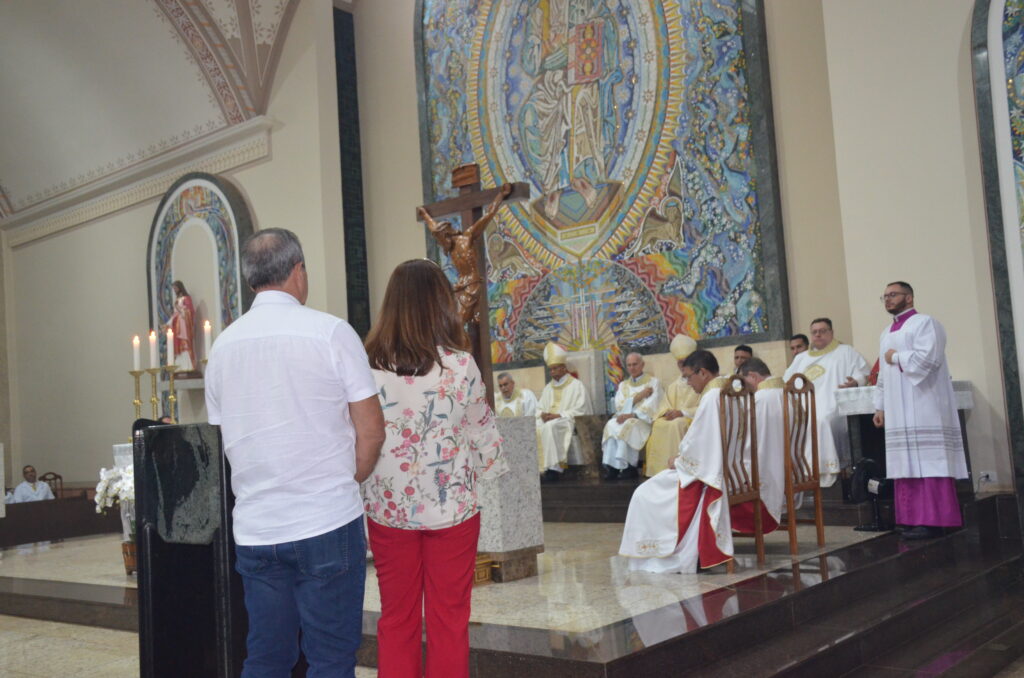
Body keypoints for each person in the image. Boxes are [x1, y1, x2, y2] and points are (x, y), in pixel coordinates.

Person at [205, 228, 385, 678]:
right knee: (330, 659)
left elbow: (225, 440)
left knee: (266, 657)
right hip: (325, 521)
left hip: (257, 529)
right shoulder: (330, 333)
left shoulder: (222, 348)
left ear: (250, 281)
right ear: (298, 272)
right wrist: (346, 480)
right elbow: (372, 431)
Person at [363, 259, 507, 678]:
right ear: (441, 304)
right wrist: (491, 466)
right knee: (449, 620)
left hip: (389, 508)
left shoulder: (366, 367)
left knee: (396, 619)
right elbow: (483, 431)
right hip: (453, 510)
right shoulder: (460, 365)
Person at [619, 350, 733, 573]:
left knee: (643, 494)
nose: (688, 383)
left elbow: (701, 444)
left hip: (708, 476)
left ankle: (663, 553)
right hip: (723, 469)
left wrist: (679, 460)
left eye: (689, 376)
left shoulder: (711, 396)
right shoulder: (728, 389)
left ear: (703, 373)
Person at [872, 282, 967, 539]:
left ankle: (935, 520)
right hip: (899, 409)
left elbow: (929, 359)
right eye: (885, 296)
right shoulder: (885, 333)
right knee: (905, 464)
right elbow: (882, 373)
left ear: (909, 297)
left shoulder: (926, 323)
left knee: (929, 462)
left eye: (893, 295)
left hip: (924, 404)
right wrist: (880, 405)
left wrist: (896, 357)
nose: (888, 300)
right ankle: (911, 519)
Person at [784, 318, 870, 468]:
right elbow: (786, 382)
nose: (818, 335)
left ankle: (824, 468)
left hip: (833, 405)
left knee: (822, 420)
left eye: (822, 331)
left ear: (831, 332)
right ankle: (800, 470)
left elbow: (863, 373)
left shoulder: (846, 351)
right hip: (804, 406)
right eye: (814, 332)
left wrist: (855, 382)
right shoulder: (801, 358)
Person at [644, 334, 701, 476]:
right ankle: (660, 471)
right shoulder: (674, 385)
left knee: (677, 424)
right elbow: (665, 405)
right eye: (679, 362)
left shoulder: (701, 381)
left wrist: (682, 412)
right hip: (677, 417)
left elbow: (704, 406)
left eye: (685, 362)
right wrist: (667, 412)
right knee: (659, 424)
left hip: (691, 419)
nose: (682, 366)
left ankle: (679, 469)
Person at [601, 353, 661, 480]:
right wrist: (638, 397)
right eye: (629, 365)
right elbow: (619, 405)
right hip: (624, 417)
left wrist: (633, 414)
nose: (632, 368)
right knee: (611, 424)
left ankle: (629, 466)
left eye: (635, 364)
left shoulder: (653, 383)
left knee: (629, 425)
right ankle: (612, 467)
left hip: (641, 419)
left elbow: (653, 404)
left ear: (642, 365)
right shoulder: (623, 385)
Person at [536, 343, 590, 481]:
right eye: (551, 370)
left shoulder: (576, 385)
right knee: (536, 426)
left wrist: (559, 415)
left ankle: (554, 469)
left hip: (567, 420)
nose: (552, 372)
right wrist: (542, 414)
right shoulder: (548, 388)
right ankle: (539, 469)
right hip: (550, 420)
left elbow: (581, 408)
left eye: (555, 369)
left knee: (550, 427)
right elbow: (540, 407)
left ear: (564, 368)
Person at [165, 280, 197, 372]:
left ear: (180, 287)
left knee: (185, 344)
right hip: (177, 325)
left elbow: (189, 312)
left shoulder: (186, 298)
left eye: (175, 288)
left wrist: (179, 308)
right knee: (178, 345)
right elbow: (175, 314)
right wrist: (168, 324)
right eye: (173, 288)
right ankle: (180, 365)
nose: (174, 290)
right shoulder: (177, 299)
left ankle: (188, 365)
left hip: (184, 326)